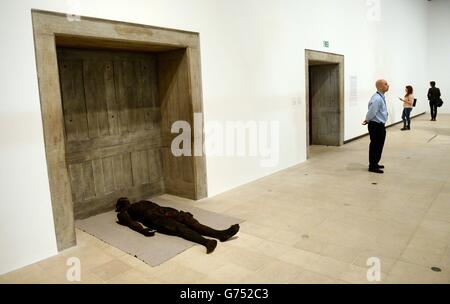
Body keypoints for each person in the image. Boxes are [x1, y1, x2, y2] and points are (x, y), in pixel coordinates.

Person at [115, 197, 240, 254]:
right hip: (154, 219)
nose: (127, 201)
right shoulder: (123, 213)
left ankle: (220, 234)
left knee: (191, 222)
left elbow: (159, 206)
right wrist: (143, 230)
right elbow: (131, 224)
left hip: (165, 211)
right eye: (124, 201)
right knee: (180, 228)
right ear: (121, 206)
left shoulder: (142, 201)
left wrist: (179, 212)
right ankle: (206, 242)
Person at [362, 79, 389, 174]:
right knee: (375, 146)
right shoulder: (377, 98)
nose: (388, 85)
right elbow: (372, 112)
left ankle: (375, 163)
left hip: (380, 125)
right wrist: (367, 119)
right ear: (381, 86)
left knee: (379, 145)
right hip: (376, 126)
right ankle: (372, 166)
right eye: (386, 84)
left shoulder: (380, 97)